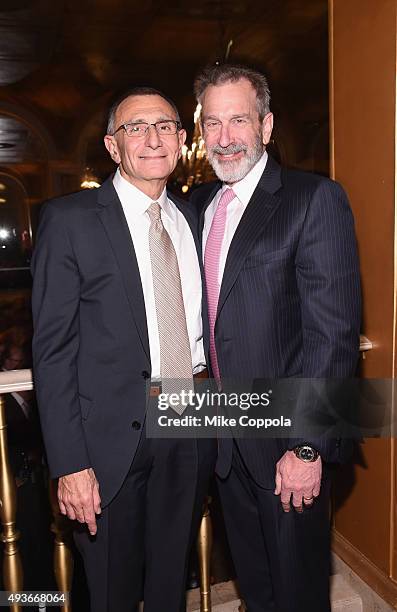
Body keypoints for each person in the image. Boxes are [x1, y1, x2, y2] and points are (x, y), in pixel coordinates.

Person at [31, 87, 216, 612]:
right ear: (114, 147)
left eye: (164, 125)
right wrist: (69, 464)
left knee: (169, 584)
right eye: (136, 128)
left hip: (190, 420)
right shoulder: (70, 221)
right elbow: (53, 351)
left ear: (182, 140)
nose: (152, 138)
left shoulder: (194, 219)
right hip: (107, 442)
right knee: (111, 589)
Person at [191, 63, 361, 612]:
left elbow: (332, 337)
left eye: (238, 119)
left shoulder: (314, 199)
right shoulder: (199, 207)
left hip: (287, 445)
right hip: (223, 438)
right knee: (257, 588)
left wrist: (308, 447)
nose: (225, 137)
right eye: (213, 123)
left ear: (266, 127)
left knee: (297, 592)